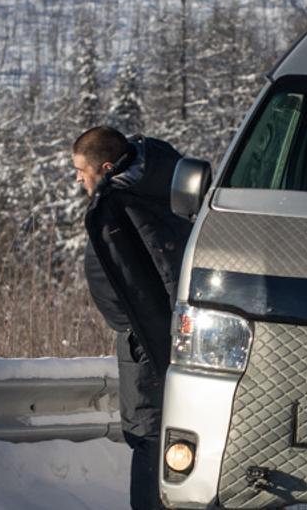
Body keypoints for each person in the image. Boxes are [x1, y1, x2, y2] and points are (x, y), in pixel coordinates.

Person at [71, 126, 191, 510]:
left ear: (105, 168)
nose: (77, 178)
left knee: (148, 434)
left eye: (80, 170)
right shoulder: (159, 187)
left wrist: (138, 327)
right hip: (162, 333)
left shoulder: (124, 204)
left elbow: (160, 270)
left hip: (146, 338)